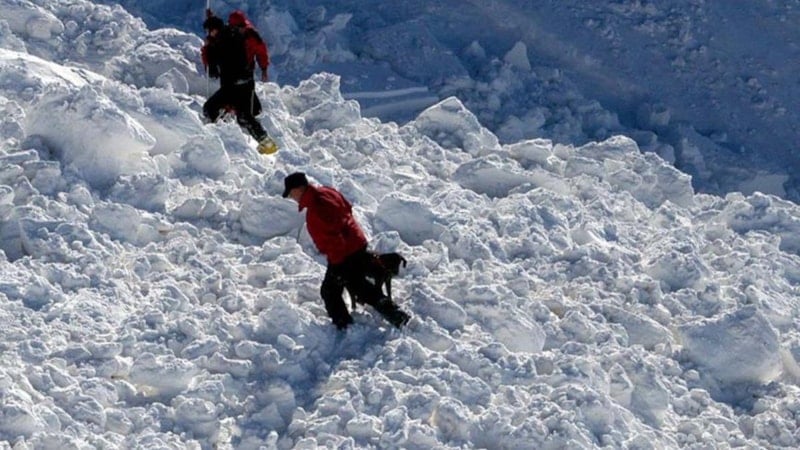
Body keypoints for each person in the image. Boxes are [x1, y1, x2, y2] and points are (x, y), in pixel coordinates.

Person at [282, 172, 411, 330]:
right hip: (356, 242)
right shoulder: (327, 191)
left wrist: (337, 265)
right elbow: (347, 209)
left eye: (291, 193)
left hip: (343, 253)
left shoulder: (317, 207)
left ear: (299, 188)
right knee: (357, 283)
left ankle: (345, 325)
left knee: (331, 291)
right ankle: (382, 268)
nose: (291, 197)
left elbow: (334, 235)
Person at [201, 9, 277, 154]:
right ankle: (266, 143)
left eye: (209, 31)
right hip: (246, 82)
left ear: (214, 31)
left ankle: (209, 144)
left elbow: (211, 67)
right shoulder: (238, 36)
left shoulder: (221, 42)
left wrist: (208, 48)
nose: (208, 34)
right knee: (246, 115)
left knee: (210, 108)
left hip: (233, 86)